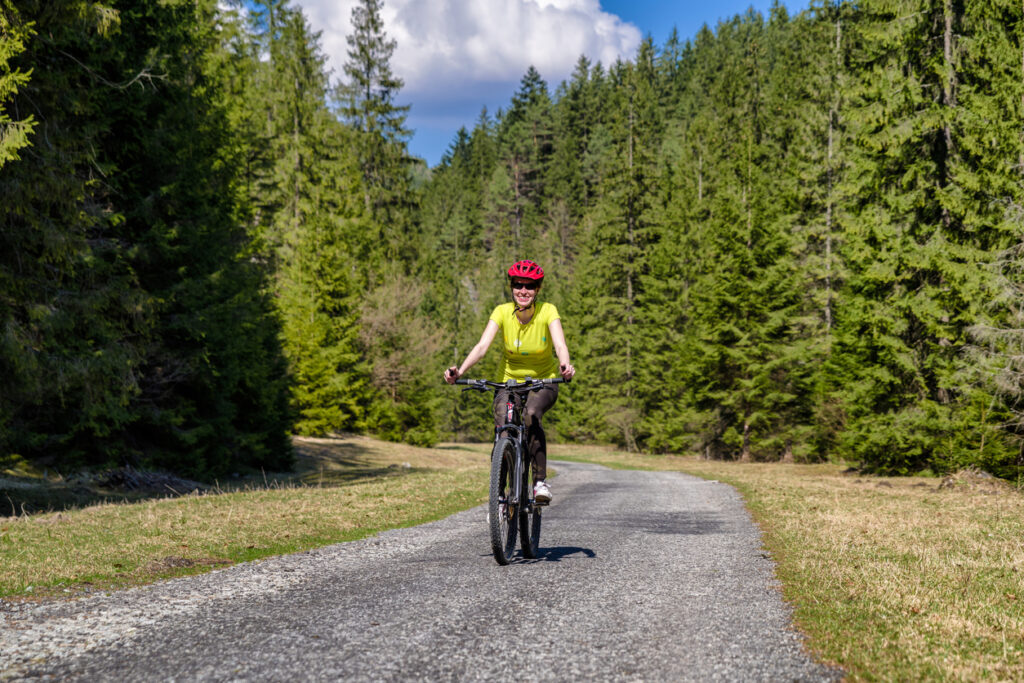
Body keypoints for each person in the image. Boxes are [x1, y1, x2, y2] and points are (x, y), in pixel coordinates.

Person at [444, 259, 575, 504]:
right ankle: (499, 494)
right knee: (504, 423)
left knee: (532, 413)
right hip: (509, 382)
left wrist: (565, 366)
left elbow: (560, 345)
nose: (523, 291)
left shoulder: (548, 311)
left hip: (543, 380)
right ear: (511, 286)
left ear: (538, 289)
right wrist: (459, 371)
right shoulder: (502, 312)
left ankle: (538, 483)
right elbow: (482, 346)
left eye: (530, 286)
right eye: (518, 285)